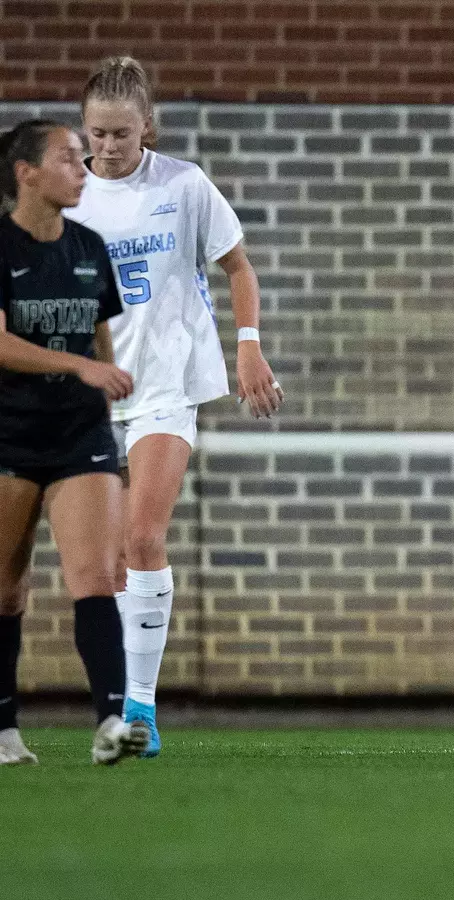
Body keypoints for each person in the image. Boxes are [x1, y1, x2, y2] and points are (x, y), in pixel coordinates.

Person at [65, 57, 282, 758]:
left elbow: (238, 266)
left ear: (147, 127)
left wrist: (248, 346)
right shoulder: (70, 197)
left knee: (144, 540)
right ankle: (119, 700)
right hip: (93, 394)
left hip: (165, 385)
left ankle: (141, 711)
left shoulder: (184, 186)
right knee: (107, 564)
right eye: (96, 133)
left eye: (122, 133)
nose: (108, 147)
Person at [0, 119, 148, 766]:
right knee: (6, 588)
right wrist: (79, 365)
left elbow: (100, 338)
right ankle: (4, 729)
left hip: (79, 431)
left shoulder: (89, 246)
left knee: (95, 576)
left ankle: (111, 722)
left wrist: (103, 389)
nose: (83, 169)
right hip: (9, 432)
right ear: (25, 173)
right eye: (67, 158)